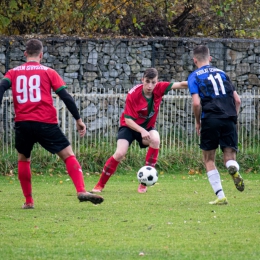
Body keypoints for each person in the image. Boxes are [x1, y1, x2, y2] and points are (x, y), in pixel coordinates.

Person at [0, 39, 104, 209]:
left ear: (25, 54)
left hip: (23, 123)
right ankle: (81, 190)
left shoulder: (13, 73)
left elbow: (1, 88)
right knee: (68, 155)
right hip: (45, 122)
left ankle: (29, 201)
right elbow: (66, 97)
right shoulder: (48, 72)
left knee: (23, 158)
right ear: (41, 55)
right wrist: (78, 120)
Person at [91, 68, 188, 194]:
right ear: (142, 80)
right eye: (147, 81)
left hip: (146, 129)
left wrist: (198, 81)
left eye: (153, 82)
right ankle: (100, 185)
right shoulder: (133, 94)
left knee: (155, 139)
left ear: (157, 81)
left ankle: (144, 184)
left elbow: (180, 84)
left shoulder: (159, 88)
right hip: (129, 127)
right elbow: (128, 119)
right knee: (120, 153)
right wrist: (141, 130)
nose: (150, 86)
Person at [187, 45, 244, 205]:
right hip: (228, 117)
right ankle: (233, 167)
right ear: (210, 59)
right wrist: (233, 117)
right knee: (229, 156)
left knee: (209, 159)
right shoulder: (222, 73)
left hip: (210, 118)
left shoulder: (194, 76)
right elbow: (237, 100)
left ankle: (221, 196)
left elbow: (197, 103)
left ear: (195, 60)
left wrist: (198, 122)